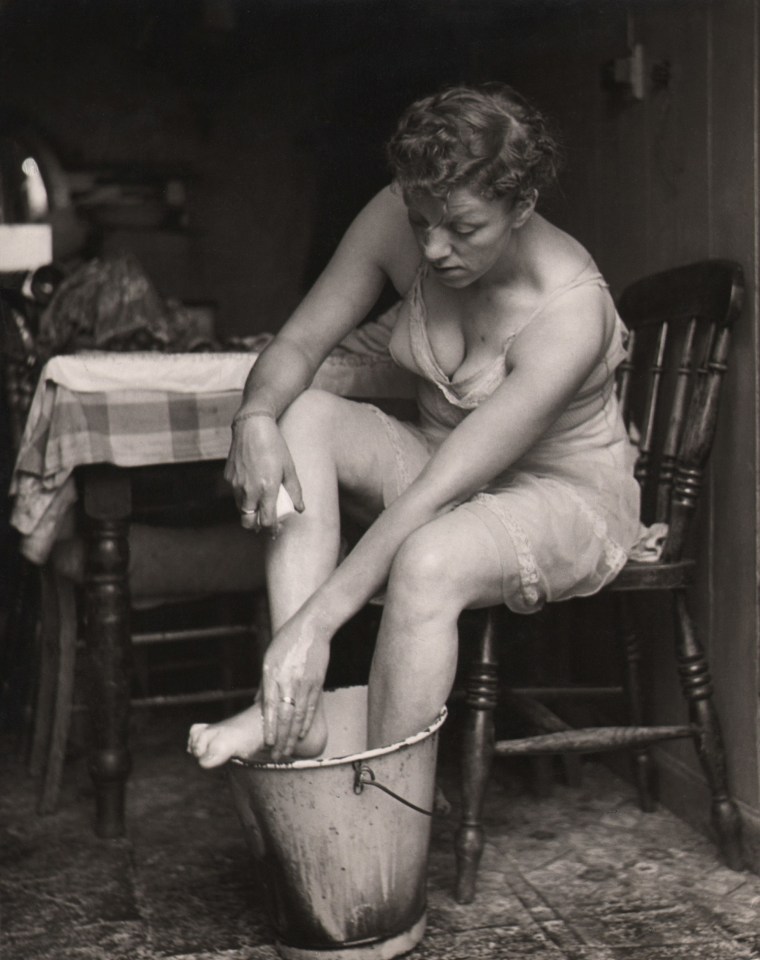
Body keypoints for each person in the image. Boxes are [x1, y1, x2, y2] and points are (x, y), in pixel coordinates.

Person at [188, 83, 641, 768]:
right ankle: (293, 709)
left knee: (430, 559)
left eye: (462, 229)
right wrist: (254, 416)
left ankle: (385, 803)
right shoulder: (403, 213)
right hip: (438, 462)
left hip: (562, 492)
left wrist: (318, 625)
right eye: (421, 220)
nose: (432, 248)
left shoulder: (570, 310)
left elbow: (439, 493)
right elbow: (300, 345)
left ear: (522, 206)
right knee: (303, 412)